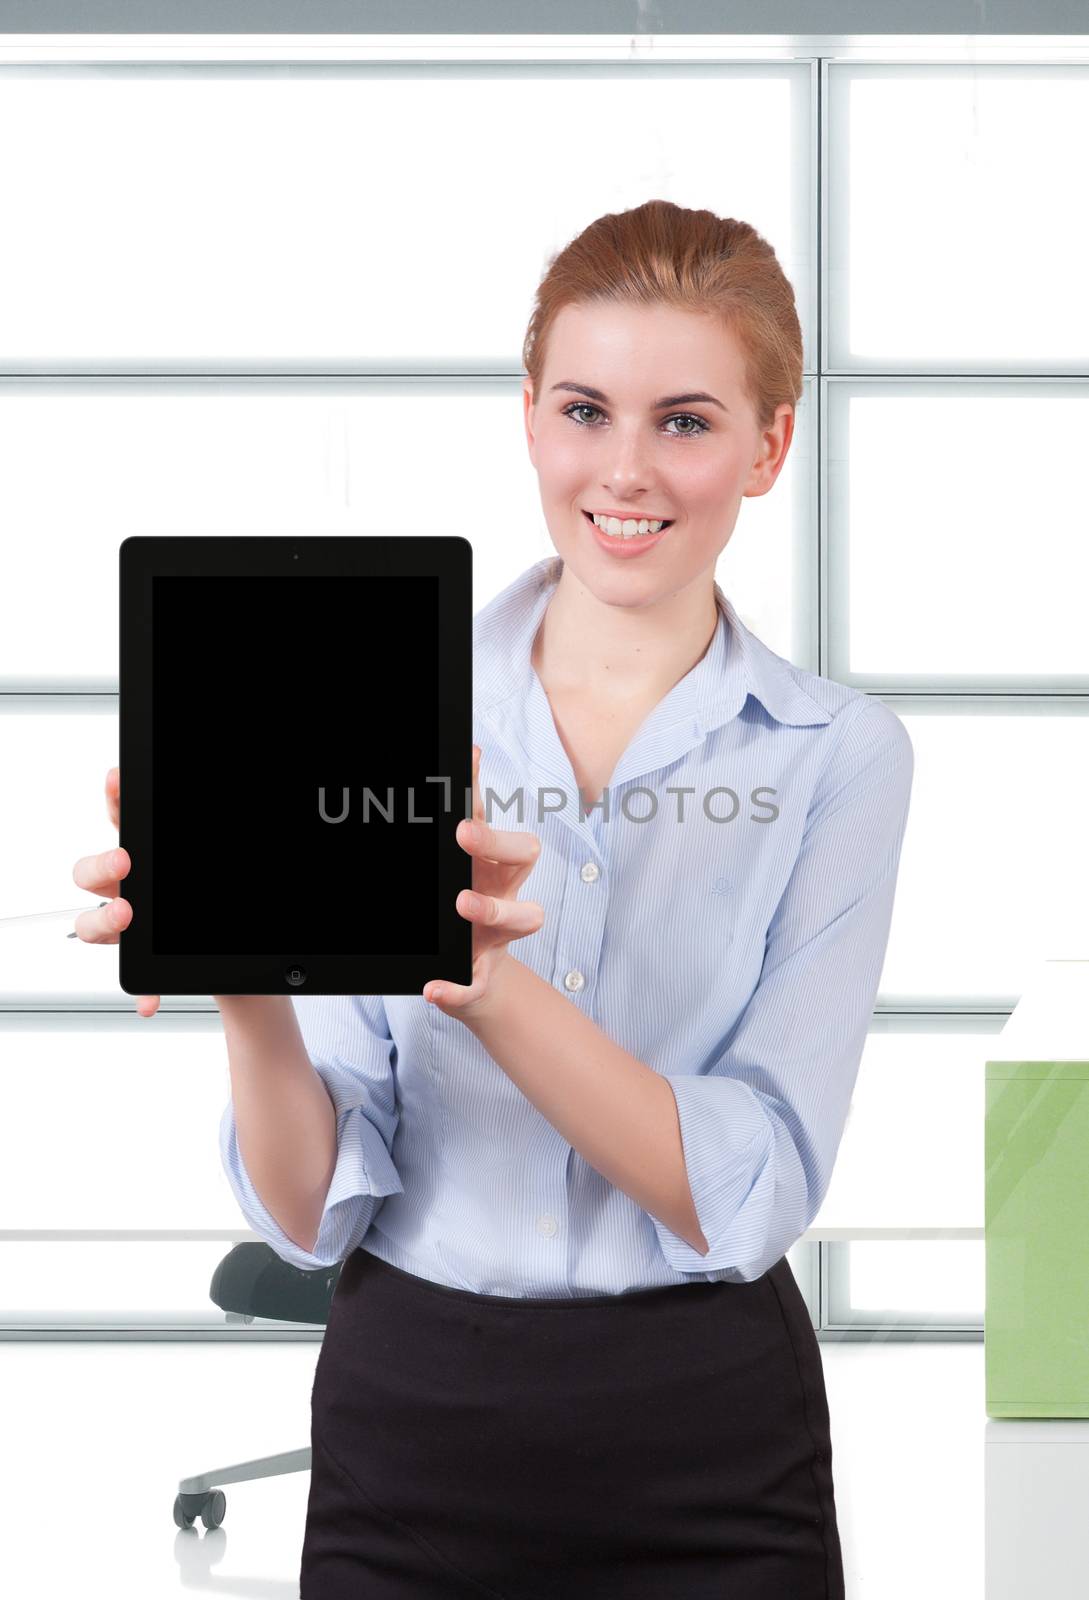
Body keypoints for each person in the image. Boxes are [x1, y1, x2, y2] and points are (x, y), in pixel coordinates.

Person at [73, 199, 913, 1597]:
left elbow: (749, 1185)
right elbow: (305, 1213)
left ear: (768, 444)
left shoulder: (834, 759)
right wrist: (244, 983)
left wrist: (485, 979)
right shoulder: (368, 705)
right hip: (414, 1421)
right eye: (584, 409)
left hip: (706, 1431)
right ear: (529, 416)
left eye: (686, 421)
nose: (625, 469)